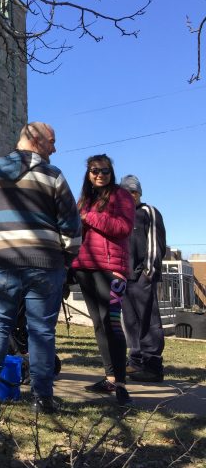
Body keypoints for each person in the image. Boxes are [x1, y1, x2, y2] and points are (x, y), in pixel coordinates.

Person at [0, 122, 81, 414]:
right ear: (35, 140)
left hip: (4, 264)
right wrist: (65, 260)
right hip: (46, 266)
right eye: (52, 142)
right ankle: (42, 397)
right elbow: (71, 227)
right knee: (41, 331)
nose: (55, 148)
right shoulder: (53, 176)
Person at [72, 154, 136, 406]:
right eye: (94, 171)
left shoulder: (120, 196)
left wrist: (89, 217)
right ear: (88, 174)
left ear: (112, 173)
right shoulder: (84, 200)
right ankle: (109, 377)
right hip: (85, 268)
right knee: (98, 325)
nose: (99, 175)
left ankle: (120, 383)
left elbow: (123, 228)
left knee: (112, 324)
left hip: (111, 270)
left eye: (105, 171)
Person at [119, 174, 167, 383]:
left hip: (143, 277)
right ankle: (136, 361)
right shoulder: (119, 215)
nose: (131, 195)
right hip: (124, 276)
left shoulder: (149, 212)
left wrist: (149, 270)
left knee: (148, 319)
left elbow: (156, 242)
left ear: (139, 193)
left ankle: (153, 365)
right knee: (130, 321)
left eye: (134, 191)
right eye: (126, 192)